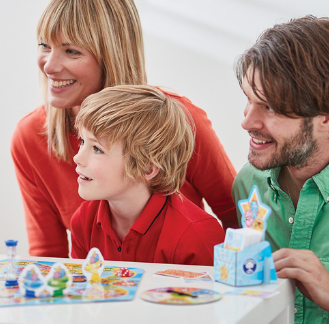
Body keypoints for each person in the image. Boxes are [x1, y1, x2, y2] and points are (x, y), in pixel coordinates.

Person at [11, 0, 237, 258]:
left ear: (111, 56)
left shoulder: (179, 121)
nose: (50, 66)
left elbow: (239, 220)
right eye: (44, 45)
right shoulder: (30, 136)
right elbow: (49, 258)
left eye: (71, 51)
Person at [233, 16, 329, 322]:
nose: (247, 121)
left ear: (328, 117)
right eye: (248, 99)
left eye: (270, 107)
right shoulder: (248, 185)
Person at [70, 85, 224, 264]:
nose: (77, 157)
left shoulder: (197, 236)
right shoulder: (83, 221)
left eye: (97, 149)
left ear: (147, 169)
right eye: (82, 141)